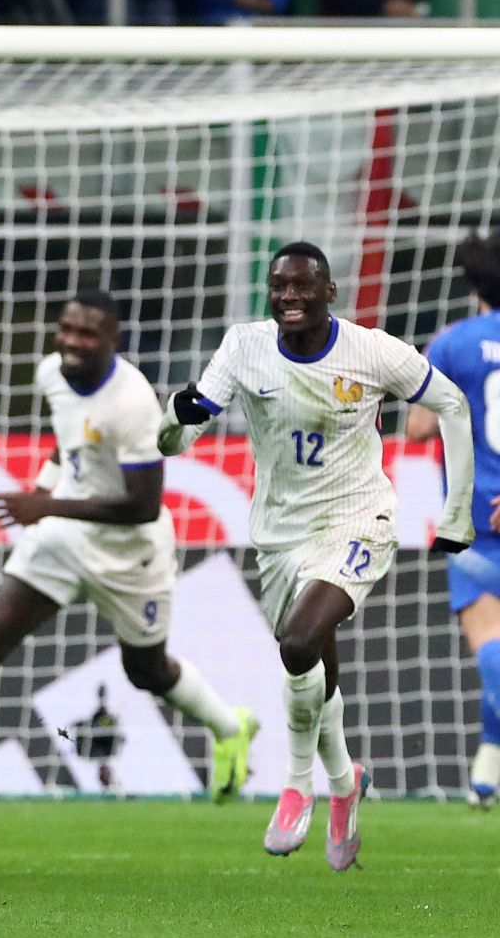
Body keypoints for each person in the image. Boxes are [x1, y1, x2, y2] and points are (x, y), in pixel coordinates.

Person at [161, 242, 474, 869]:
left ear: (330, 292)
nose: (291, 297)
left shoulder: (373, 351)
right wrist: (175, 416)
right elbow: (177, 439)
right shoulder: (244, 347)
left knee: (300, 642)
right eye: (279, 287)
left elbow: (451, 403)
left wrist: (457, 511)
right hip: (279, 532)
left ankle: (297, 781)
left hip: (359, 519)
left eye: (304, 286)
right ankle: (344, 781)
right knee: (311, 662)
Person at [0, 291, 256, 823]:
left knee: (146, 670)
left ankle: (230, 726)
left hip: (131, 554)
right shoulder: (51, 374)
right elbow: (67, 442)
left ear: (114, 340)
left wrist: (44, 504)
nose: (71, 342)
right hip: (65, 539)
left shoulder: (133, 404)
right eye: (66, 329)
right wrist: (42, 492)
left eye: (86, 334)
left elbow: (142, 505)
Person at [404, 230, 500, 809]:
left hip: (474, 521)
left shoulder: (455, 344)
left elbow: (417, 428)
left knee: (490, 642)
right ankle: (488, 764)